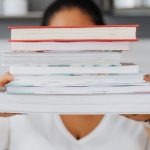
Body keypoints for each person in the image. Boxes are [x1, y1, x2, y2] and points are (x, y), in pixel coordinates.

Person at [0, 0, 150, 150]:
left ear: (106, 43)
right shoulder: (14, 107)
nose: (72, 57)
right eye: (60, 44)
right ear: (41, 46)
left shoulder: (135, 105)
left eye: (83, 44)